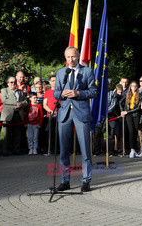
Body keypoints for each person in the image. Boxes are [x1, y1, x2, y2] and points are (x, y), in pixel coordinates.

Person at [54, 47, 97, 192]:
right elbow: (55, 93)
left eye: (73, 56)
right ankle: (64, 181)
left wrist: (78, 92)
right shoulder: (61, 72)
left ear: (78, 56)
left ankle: (86, 181)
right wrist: (62, 93)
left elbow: (93, 91)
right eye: (68, 57)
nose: (71, 60)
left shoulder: (87, 71)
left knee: (85, 149)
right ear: (65, 57)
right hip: (65, 114)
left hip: (81, 113)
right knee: (64, 150)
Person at [1, 76, 28, 156]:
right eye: (11, 82)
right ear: (8, 83)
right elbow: (4, 100)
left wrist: (20, 104)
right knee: (7, 135)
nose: (13, 84)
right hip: (8, 115)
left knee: (18, 134)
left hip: (18, 114)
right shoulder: (4, 90)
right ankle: (5, 150)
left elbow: (25, 101)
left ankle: (16, 150)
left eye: (14, 82)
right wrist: (16, 103)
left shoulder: (20, 91)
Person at [121, 81, 142, 158]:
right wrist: (122, 111)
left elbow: (138, 108)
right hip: (128, 116)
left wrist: (127, 111)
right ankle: (132, 150)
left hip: (135, 115)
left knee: (135, 132)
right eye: (133, 86)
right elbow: (120, 102)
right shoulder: (126, 95)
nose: (134, 87)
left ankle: (134, 149)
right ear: (130, 87)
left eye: (135, 86)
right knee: (131, 131)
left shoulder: (140, 96)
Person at [108, 84, 124, 155]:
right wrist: (118, 116)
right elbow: (114, 108)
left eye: (121, 92)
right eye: (119, 92)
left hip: (121, 116)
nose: (120, 93)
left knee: (121, 134)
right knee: (116, 134)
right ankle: (115, 148)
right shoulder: (114, 97)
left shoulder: (123, 97)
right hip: (116, 117)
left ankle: (121, 148)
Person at [43, 76, 57, 154]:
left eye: (55, 80)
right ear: (50, 82)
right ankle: (50, 150)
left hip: (59, 115)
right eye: (52, 81)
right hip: (50, 116)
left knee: (59, 134)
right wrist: (51, 112)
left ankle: (58, 150)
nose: (54, 82)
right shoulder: (47, 92)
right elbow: (45, 105)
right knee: (50, 134)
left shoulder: (61, 91)